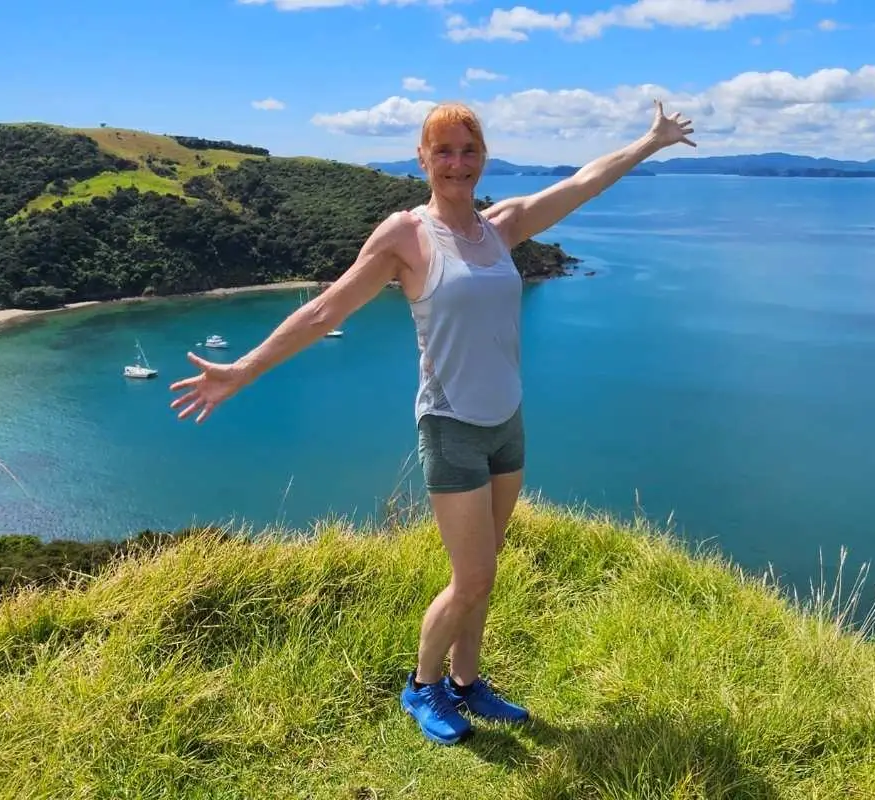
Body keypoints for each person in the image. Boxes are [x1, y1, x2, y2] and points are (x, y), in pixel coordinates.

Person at [168, 99, 696, 745]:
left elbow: (583, 183)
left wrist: (649, 141)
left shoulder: (501, 227)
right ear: (422, 159)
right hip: (450, 426)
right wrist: (241, 370)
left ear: (483, 159)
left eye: (467, 150)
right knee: (470, 576)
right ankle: (422, 686)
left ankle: (468, 683)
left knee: (488, 565)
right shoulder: (406, 236)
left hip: (508, 420)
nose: (456, 162)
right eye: (442, 150)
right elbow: (324, 312)